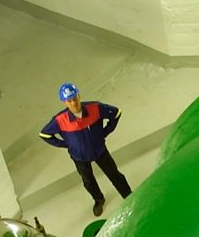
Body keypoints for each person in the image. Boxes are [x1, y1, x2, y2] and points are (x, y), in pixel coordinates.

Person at [40, 82, 133, 216]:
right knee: (88, 181)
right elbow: (44, 134)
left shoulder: (95, 108)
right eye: (69, 101)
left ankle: (128, 196)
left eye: (75, 98)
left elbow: (116, 113)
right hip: (79, 157)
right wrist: (66, 144)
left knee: (114, 174)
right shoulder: (60, 120)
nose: (73, 103)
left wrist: (104, 132)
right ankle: (98, 199)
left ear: (79, 96)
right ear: (64, 102)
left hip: (99, 151)